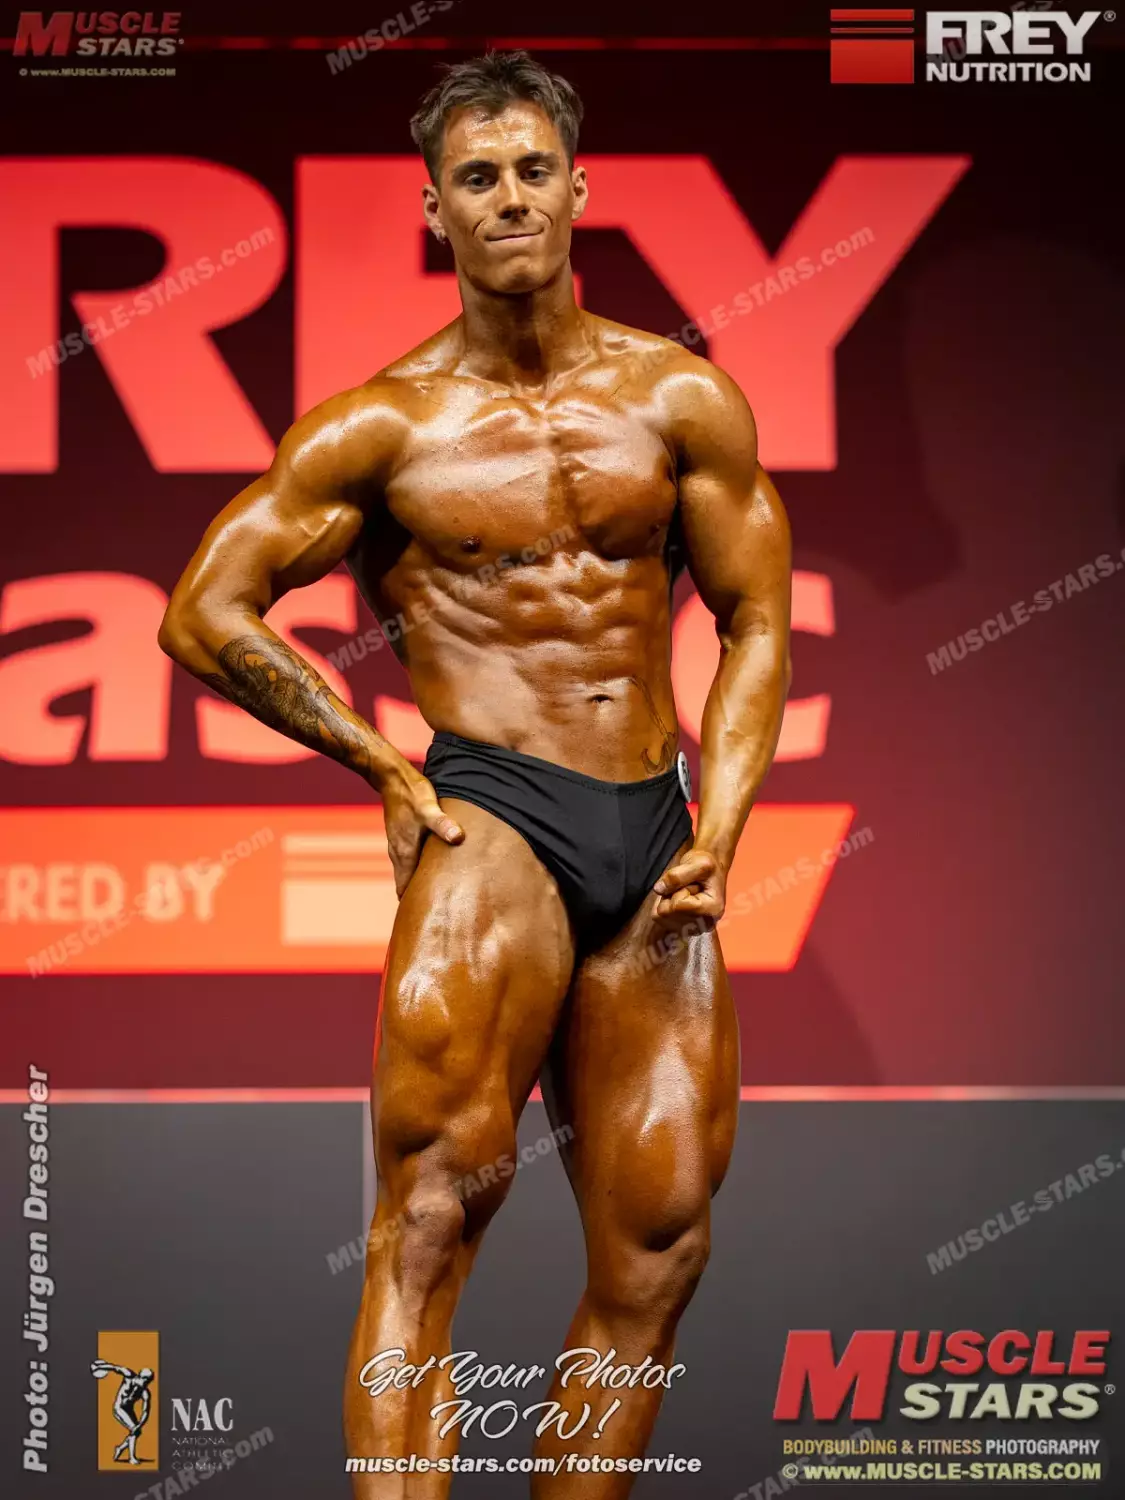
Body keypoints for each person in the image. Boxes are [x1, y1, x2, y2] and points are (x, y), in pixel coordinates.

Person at [158, 49, 791, 1498]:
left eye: (531, 170)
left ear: (580, 187)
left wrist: (729, 821)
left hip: (658, 829)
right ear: (433, 209)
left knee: (661, 1245)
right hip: (495, 811)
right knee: (432, 1219)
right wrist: (381, 762)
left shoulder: (682, 400)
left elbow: (758, 620)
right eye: (476, 177)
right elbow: (204, 611)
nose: (509, 198)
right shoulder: (381, 428)